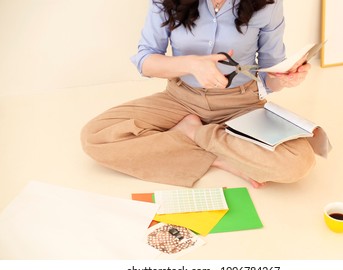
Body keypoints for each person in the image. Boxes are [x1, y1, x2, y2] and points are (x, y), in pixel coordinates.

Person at [80, 0, 315, 188]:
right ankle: (217, 155)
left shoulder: (268, 4)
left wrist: (287, 77)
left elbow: (268, 76)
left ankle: (193, 134)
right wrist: (191, 64)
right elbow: (145, 60)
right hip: (180, 99)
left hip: (241, 103)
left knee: (298, 163)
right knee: (95, 136)